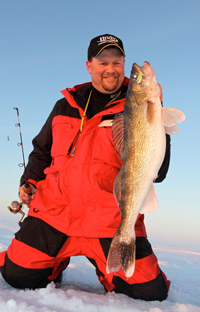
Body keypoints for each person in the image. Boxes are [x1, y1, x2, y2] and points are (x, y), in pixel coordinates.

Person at [0, 34, 171, 301]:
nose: (110, 69)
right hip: (56, 213)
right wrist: (29, 182)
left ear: (123, 64)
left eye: (117, 62)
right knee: (16, 274)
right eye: (103, 62)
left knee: (149, 292)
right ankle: (55, 262)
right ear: (89, 65)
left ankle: (108, 270)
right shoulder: (64, 106)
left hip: (109, 219)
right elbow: (41, 150)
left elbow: (157, 173)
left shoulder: (135, 107)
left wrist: (158, 123)